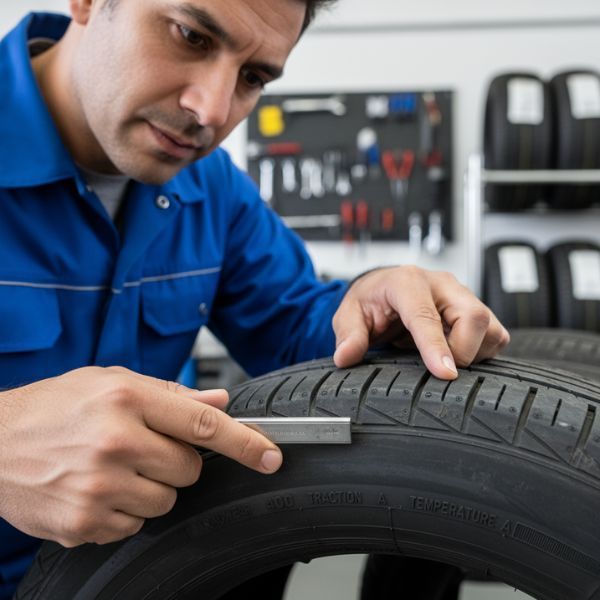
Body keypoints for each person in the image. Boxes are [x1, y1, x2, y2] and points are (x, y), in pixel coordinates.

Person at [0, 0, 509, 597]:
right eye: (190, 35)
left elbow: (299, 329)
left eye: (253, 78)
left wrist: (377, 305)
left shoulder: (209, 187)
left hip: (144, 576)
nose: (212, 112)